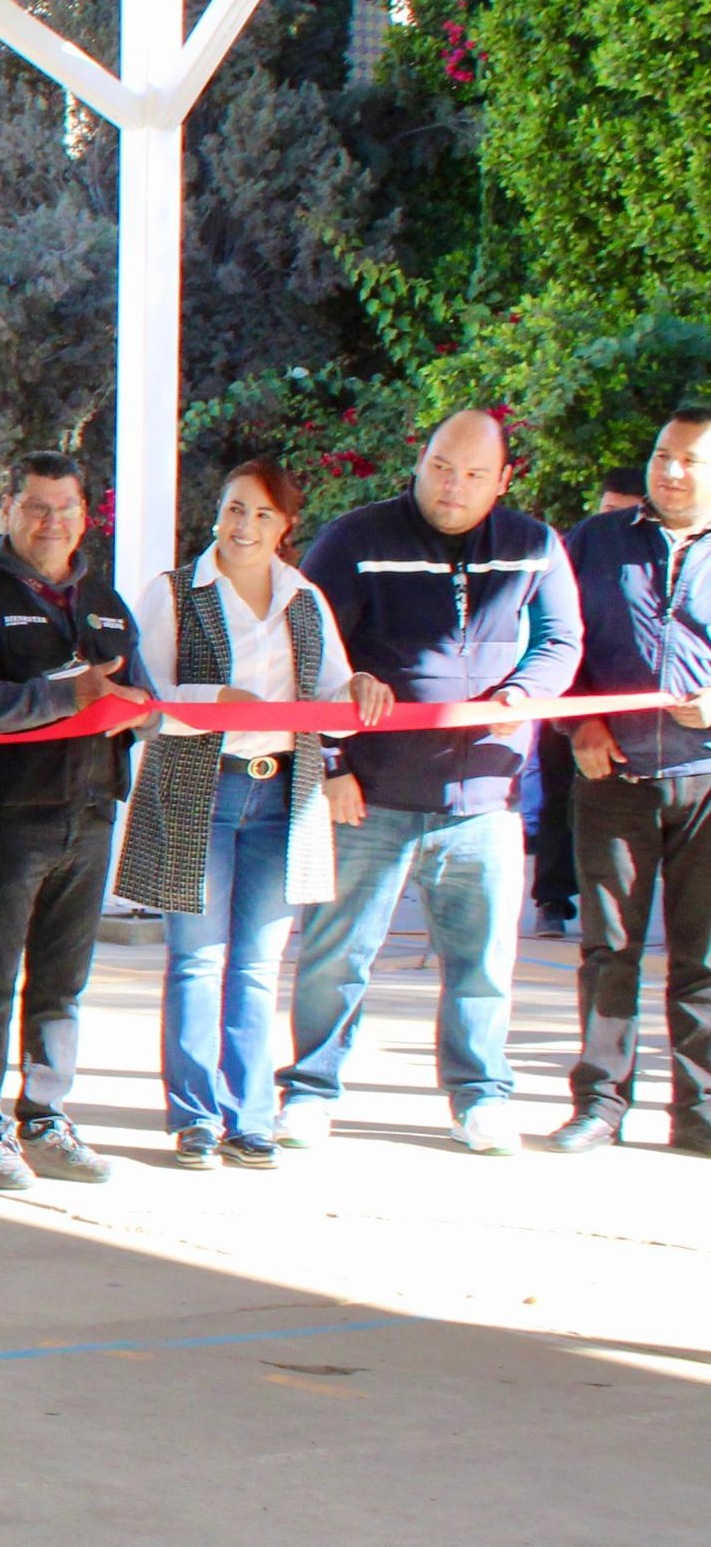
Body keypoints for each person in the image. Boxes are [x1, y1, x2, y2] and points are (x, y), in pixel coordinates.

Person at [280, 410, 581, 1155]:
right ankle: (311, 1092)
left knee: (482, 965)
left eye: (476, 474)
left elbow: (560, 640)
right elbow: (309, 650)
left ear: (504, 480)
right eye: (443, 466)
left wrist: (525, 694)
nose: (454, 486)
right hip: (370, 798)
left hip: (486, 799)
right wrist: (333, 765)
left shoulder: (535, 546)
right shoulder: (356, 538)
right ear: (420, 459)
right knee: (335, 955)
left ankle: (480, 1097)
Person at [119, 460, 384, 1170]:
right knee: (197, 960)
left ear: (286, 526)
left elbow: (333, 707)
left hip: (283, 794)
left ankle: (251, 1117)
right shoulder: (175, 592)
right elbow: (144, 701)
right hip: (198, 788)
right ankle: (196, 1118)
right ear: (218, 512)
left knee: (259, 964)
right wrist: (214, 702)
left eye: (263, 515)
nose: (245, 527)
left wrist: (358, 689)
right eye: (236, 509)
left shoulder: (304, 598)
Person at [0, 452, 153, 1194]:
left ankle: (46, 1119)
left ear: (87, 514)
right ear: (9, 509)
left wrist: (145, 713)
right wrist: (71, 696)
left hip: (90, 817)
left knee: (63, 985)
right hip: (7, 819)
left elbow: (141, 701)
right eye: (36, 507)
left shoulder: (108, 603)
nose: (52, 523)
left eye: (66, 508)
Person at [554, 411, 711, 1155]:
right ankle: (601, 1103)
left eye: (688, 459)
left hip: (705, 779)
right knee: (609, 948)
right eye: (662, 455)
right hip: (611, 773)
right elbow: (556, 642)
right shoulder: (597, 540)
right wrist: (577, 724)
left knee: (703, 955)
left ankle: (700, 1109)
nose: (671, 470)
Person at [539, 462, 652, 941]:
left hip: (659, 745)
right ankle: (551, 897)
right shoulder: (585, 543)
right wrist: (580, 714)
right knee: (559, 800)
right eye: (609, 510)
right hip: (575, 711)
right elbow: (555, 631)